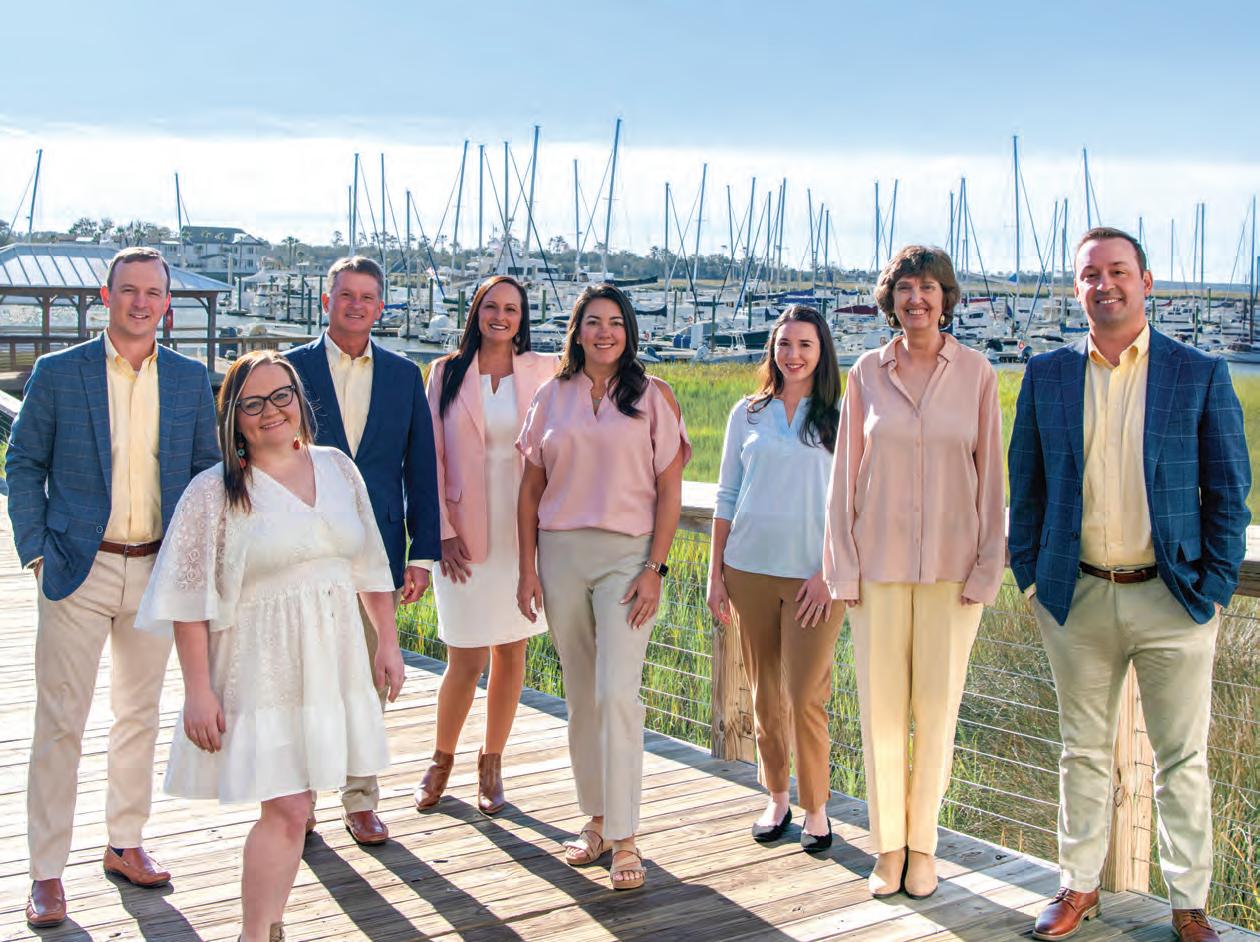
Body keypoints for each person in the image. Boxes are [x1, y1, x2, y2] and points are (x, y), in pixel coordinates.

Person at [1009, 228, 1250, 942]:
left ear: (1146, 282)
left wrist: (1212, 591)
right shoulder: (1047, 374)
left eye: (1118, 271)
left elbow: (1230, 495)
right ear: (1076, 288)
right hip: (1076, 598)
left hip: (1174, 598)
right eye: (1090, 274)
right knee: (1081, 751)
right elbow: (1027, 487)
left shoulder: (1197, 373)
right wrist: (1032, 583)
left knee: (1183, 760)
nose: (1104, 284)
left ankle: (1189, 904)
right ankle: (1078, 886)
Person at [135, 351, 404, 942]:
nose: (270, 411)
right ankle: (256, 933)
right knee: (288, 808)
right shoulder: (214, 492)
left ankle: (267, 928)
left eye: (281, 395)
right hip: (261, 670)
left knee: (298, 804)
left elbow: (370, 565)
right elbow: (186, 601)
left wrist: (387, 641)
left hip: (331, 663)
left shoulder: (338, 468)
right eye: (251, 403)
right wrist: (198, 691)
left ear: (299, 400)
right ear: (233, 419)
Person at [5, 247, 220, 929]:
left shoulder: (189, 380)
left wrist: (194, 566)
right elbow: (23, 462)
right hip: (76, 566)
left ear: (167, 303)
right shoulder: (58, 373)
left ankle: (125, 843)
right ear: (107, 295)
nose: (140, 302)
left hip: (156, 571)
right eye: (128, 290)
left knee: (139, 715)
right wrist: (36, 553)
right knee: (60, 722)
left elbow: (206, 473)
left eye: (152, 292)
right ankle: (46, 872)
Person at [824, 245, 1005, 899]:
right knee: (880, 714)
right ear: (891, 299)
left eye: (928, 287)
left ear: (945, 298)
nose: (916, 299)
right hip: (877, 569)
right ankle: (889, 848)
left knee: (936, 713)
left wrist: (987, 569)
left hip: (953, 575)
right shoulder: (865, 374)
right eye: (905, 288)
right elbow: (843, 476)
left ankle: (923, 847)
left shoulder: (978, 374)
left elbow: (992, 480)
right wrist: (842, 568)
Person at [516, 283, 689, 891]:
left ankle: (626, 835)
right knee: (582, 694)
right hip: (560, 555)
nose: (605, 332)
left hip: (628, 559)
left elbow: (669, 489)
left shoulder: (653, 396)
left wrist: (655, 569)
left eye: (615, 322)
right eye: (593, 321)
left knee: (617, 692)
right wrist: (527, 568)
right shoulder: (550, 395)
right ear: (577, 331)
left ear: (628, 331)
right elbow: (530, 491)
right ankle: (594, 818)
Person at [285, 255, 441, 845]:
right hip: (301, 550)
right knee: (304, 680)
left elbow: (420, 468)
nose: (356, 305)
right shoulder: (289, 368)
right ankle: (299, 801)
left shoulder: (403, 375)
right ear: (327, 301)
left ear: (380, 307)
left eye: (367, 297)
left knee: (370, 678)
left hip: (378, 551)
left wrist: (421, 555)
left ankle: (361, 799)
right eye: (345, 295)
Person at [416, 275, 557, 814]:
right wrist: (442, 533)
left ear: (523, 319)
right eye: (491, 307)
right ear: (476, 312)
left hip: (523, 533)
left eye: (512, 309)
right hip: (462, 533)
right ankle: (440, 759)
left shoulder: (543, 370)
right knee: (466, 656)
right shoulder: (446, 373)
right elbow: (429, 456)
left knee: (511, 650)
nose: (501, 317)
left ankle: (491, 763)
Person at [706, 305, 843, 851]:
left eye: (805, 344)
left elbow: (854, 504)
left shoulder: (841, 416)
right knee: (765, 691)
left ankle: (817, 807)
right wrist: (716, 575)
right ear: (772, 350)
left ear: (821, 351)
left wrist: (829, 572)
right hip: (749, 571)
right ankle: (778, 796)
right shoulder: (748, 413)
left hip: (816, 580)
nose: (793, 354)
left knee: (806, 694)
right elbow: (726, 496)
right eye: (784, 344)